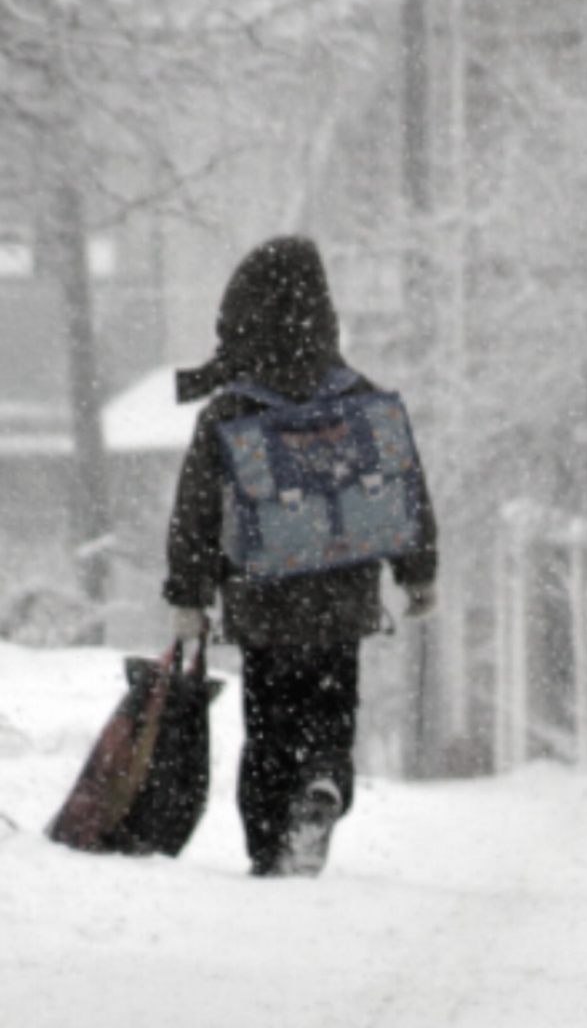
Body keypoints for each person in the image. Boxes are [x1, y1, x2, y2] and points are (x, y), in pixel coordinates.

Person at [162, 236, 438, 877]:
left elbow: (196, 512)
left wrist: (188, 595)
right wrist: (419, 572)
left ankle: (268, 848)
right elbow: (404, 485)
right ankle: (323, 783)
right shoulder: (359, 395)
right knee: (331, 712)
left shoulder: (231, 408)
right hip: (343, 599)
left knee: (269, 723)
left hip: (263, 601)